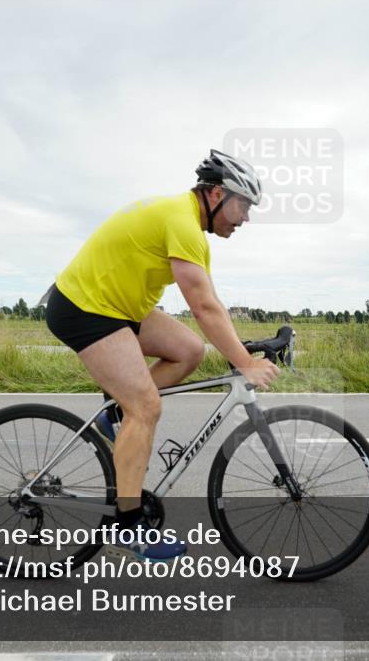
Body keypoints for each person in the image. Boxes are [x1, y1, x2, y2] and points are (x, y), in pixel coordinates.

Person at [45, 149, 280, 561]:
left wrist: (243, 348)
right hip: (85, 308)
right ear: (215, 195)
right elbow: (202, 308)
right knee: (146, 408)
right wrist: (244, 362)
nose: (245, 218)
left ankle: (114, 415)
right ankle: (129, 524)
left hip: (120, 307)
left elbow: (213, 304)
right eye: (243, 205)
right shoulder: (182, 223)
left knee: (189, 349)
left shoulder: (186, 223)